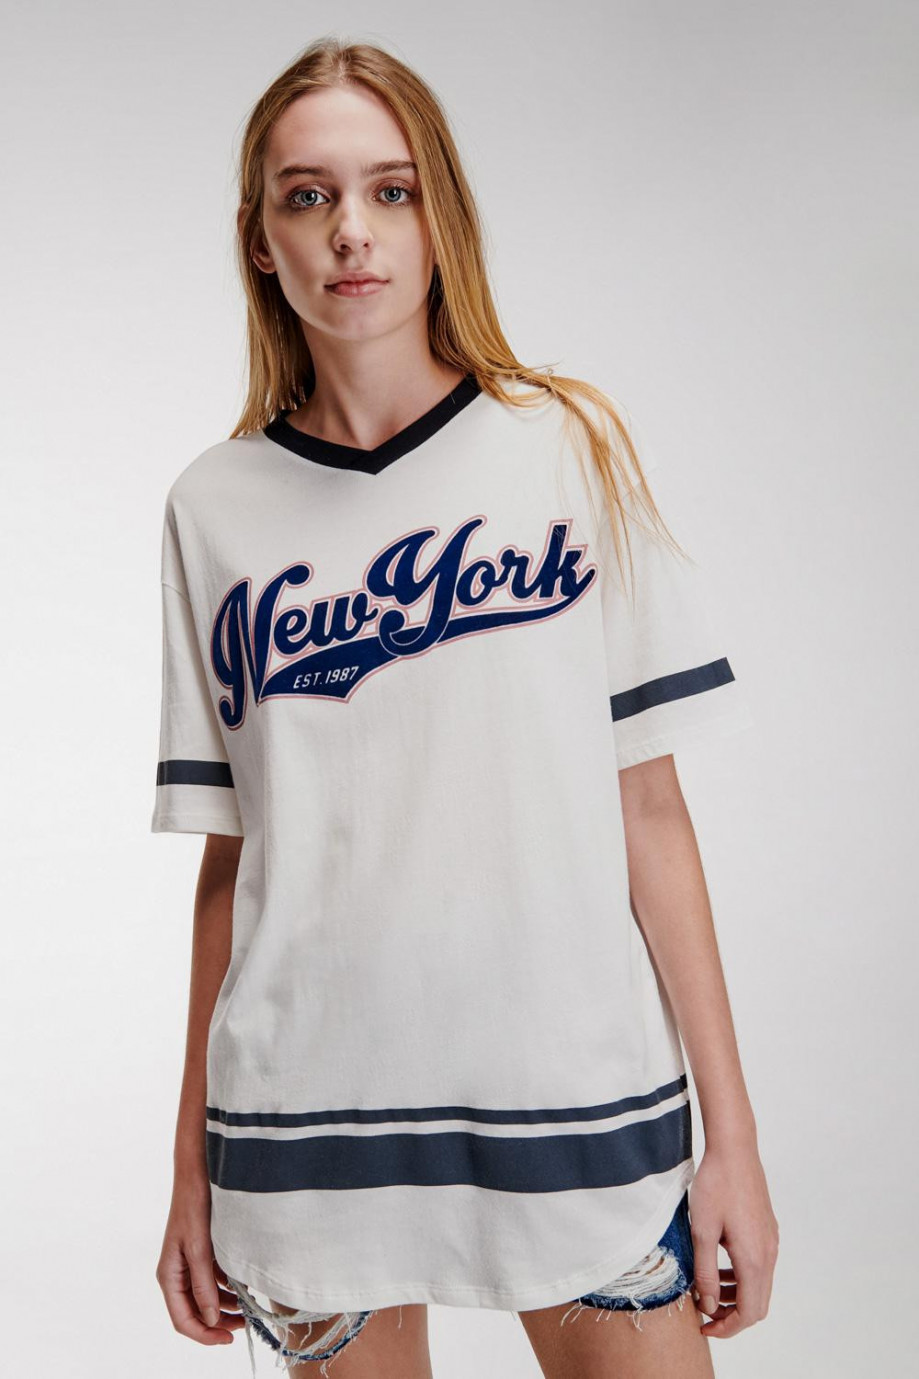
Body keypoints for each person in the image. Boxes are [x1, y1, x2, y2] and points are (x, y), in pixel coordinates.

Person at [151, 34, 778, 1379]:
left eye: (391, 190)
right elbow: (230, 861)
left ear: (440, 218)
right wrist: (190, 1171)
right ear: (261, 239)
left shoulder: (565, 450)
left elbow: (649, 811)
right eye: (308, 195)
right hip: (305, 1126)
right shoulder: (214, 506)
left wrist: (732, 1140)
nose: (352, 230)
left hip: (576, 1101)